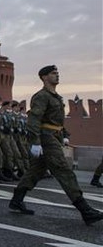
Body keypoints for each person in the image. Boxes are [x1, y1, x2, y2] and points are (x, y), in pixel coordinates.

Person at [9, 65, 103, 226]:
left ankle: (16, 200)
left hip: (54, 137)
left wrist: (64, 134)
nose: (57, 75)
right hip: (46, 139)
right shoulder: (41, 96)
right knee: (63, 170)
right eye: (53, 73)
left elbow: (57, 121)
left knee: (35, 171)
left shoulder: (56, 97)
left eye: (57, 73)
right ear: (44, 77)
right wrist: (36, 143)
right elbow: (34, 120)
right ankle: (85, 210)